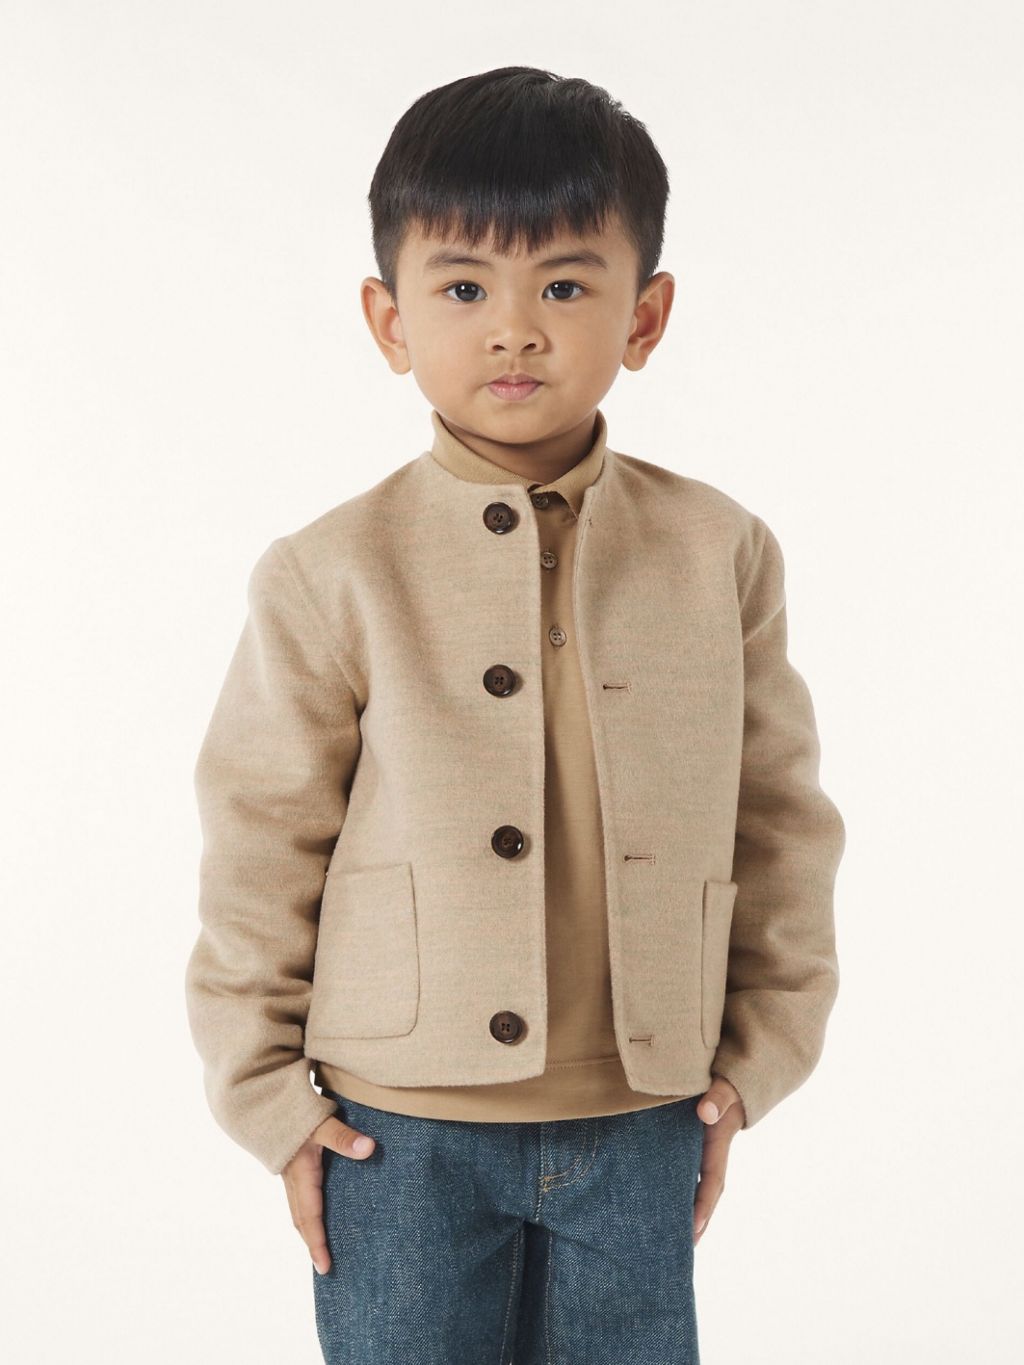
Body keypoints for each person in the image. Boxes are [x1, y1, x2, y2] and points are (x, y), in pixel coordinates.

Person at [185, 64, 846, 1365]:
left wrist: (757, 1058)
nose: (515, 330)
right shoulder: (331, 569)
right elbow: (260, 840)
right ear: (388, 320)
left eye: (564, 286)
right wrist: (268, 1098)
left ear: (645, 315)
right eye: (463, 288)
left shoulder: (719, 550)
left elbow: (780, 818)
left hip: (643, 1110)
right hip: (392, 1127)